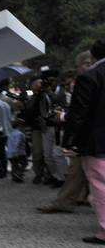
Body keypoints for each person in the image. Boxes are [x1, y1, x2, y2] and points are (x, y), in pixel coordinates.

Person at [38, 50, 94, 214]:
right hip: (85, 136)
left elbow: (83, 110)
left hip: (87, 135)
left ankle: (68, 201)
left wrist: (63, 116)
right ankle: (68, 200)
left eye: (77, 67)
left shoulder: (89, 82)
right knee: (76, 170)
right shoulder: (90, 81)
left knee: (81, 170)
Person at [65, 39, 105, 244]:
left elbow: (79, 114)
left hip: (97, 141)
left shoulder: (89, 77)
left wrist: (71, 141)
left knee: (99, 184)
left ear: (93, 56)